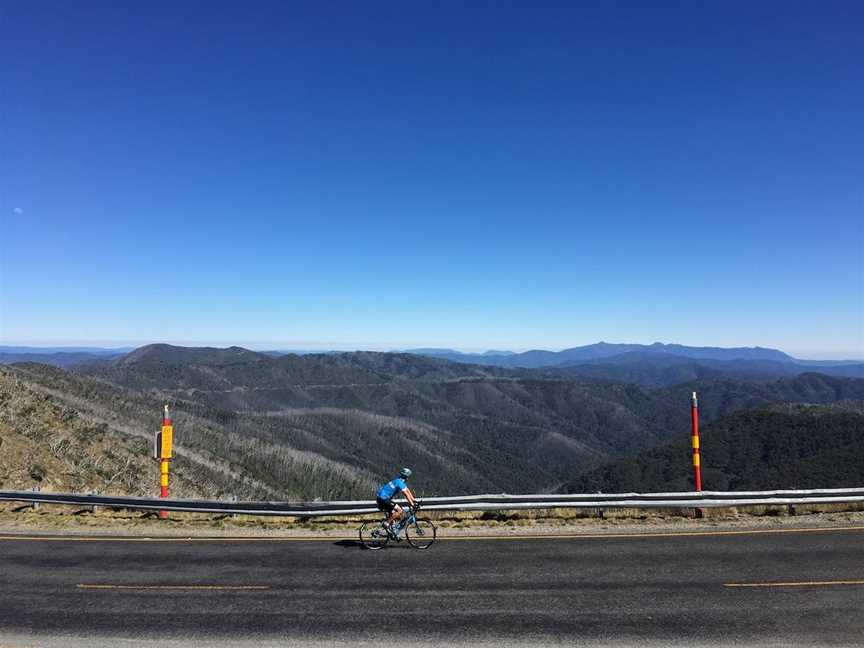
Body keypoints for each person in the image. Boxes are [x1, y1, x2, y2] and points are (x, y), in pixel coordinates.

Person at [376, 468, 416, 538]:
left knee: (395, 513)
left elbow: (407, 491)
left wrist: (413, 500)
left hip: (382, 498)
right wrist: (412, 504)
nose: (407, 479)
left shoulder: (399, 480)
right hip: (383, 499)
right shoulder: (399, 482)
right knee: (399, 510)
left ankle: (392, 532)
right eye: (407, 477)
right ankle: (387, 524)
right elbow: (405, 494)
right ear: (406, 477)